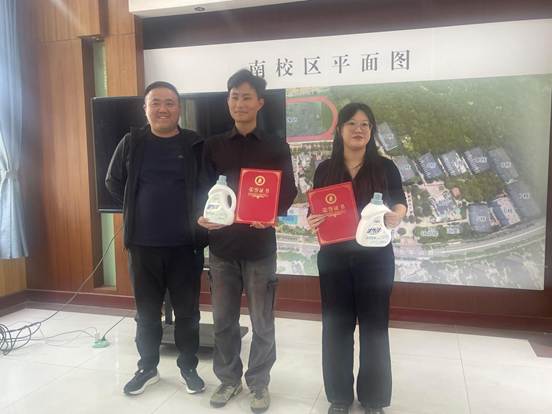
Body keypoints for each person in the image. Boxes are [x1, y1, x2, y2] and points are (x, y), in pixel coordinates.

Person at [197, 69, 297, 413]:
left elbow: (288, 191)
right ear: (228, 101)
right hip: (222, 248)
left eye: (246, 97)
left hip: (259, 248)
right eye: (234, 97)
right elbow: (200, 189)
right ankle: (228, 380)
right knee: (223, 321)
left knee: (262, 323)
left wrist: (272, 213)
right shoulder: (213, 145)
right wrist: (200, 216)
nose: (239, 103)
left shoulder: (275, 146)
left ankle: (259, 383)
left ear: (260, 103)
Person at [105, 81, 207, 396]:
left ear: (179, 108)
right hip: (142, 246)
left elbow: (207, 187)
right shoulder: (131, 142)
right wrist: (136, 208)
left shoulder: (194, 143)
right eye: (156, 103)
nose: (163, 109)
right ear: (145, 108)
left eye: (170, 103)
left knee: (188, 313)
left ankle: (188, 367)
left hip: (185, 247)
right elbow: (113, 181)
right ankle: (147, 368)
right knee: (147, 314)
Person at [307, 103, 407, 414]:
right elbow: (314, 209)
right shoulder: (325, 169)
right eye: (351, 123)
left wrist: (396, 215)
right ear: (340, 130)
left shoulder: (385, 167)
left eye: (365, 124)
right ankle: (339, 397)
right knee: (336, 327)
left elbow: (400, 202)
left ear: (371, 131)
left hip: (375, 259)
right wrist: (312, 220)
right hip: (334, 258)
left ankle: (374, 398)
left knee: (374, 328)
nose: (358, 129)